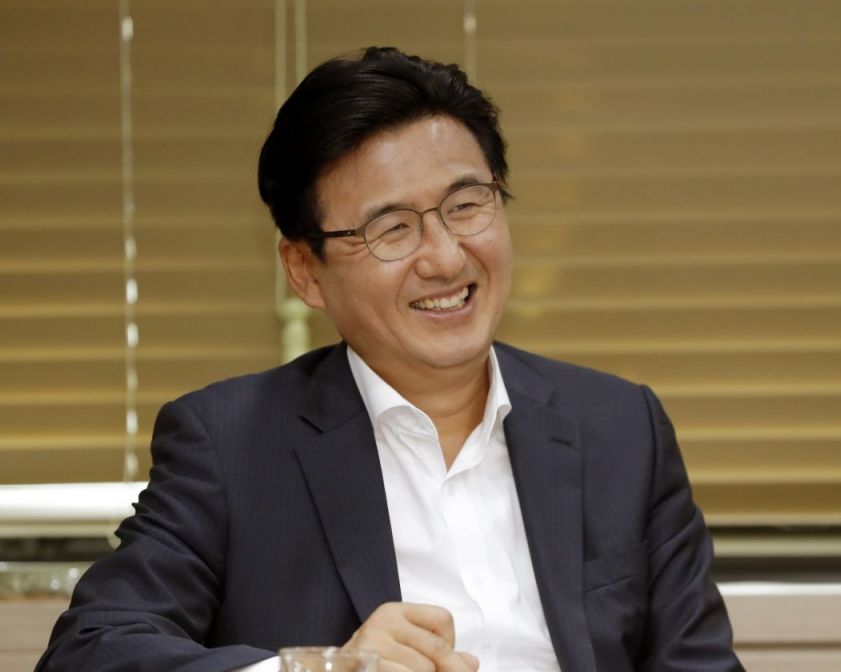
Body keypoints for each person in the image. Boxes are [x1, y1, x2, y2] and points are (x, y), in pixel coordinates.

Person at [37, 47, 743, 672]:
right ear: (305, 270)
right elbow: (91, 651)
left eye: (466, 205)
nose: (445, 258)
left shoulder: (621, 428)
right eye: (391, 228)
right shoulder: (230, 445)